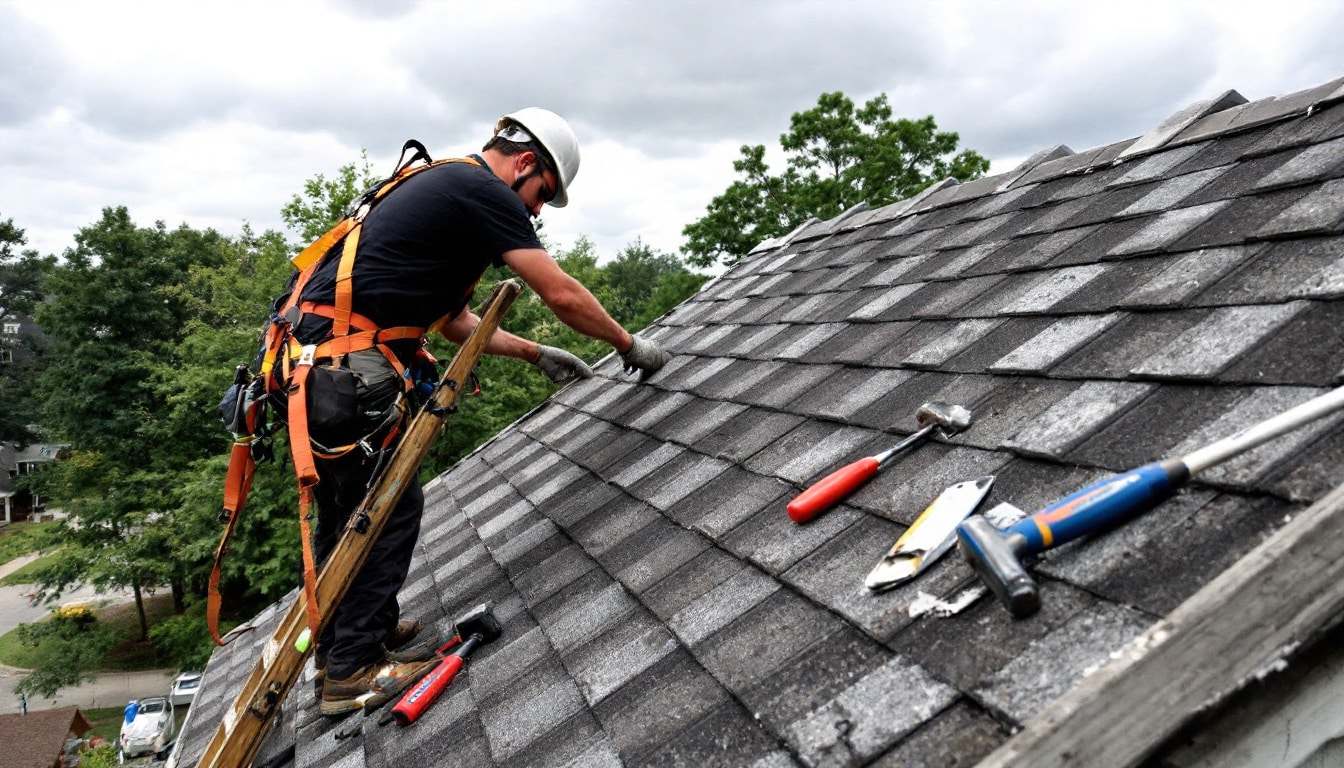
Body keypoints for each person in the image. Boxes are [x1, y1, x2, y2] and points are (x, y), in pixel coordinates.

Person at [291, 107, 670, 715]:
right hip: (350, 368)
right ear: (525, 164)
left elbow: (454, 323)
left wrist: (535, 353)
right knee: (388, 505)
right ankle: (352, 668)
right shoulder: (482, 189)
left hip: (318, 368)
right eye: (542, 195)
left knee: (349, 509)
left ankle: (349, 639)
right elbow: (560, 292)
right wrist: (628, 344)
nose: (537, 213)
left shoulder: (448, 188)